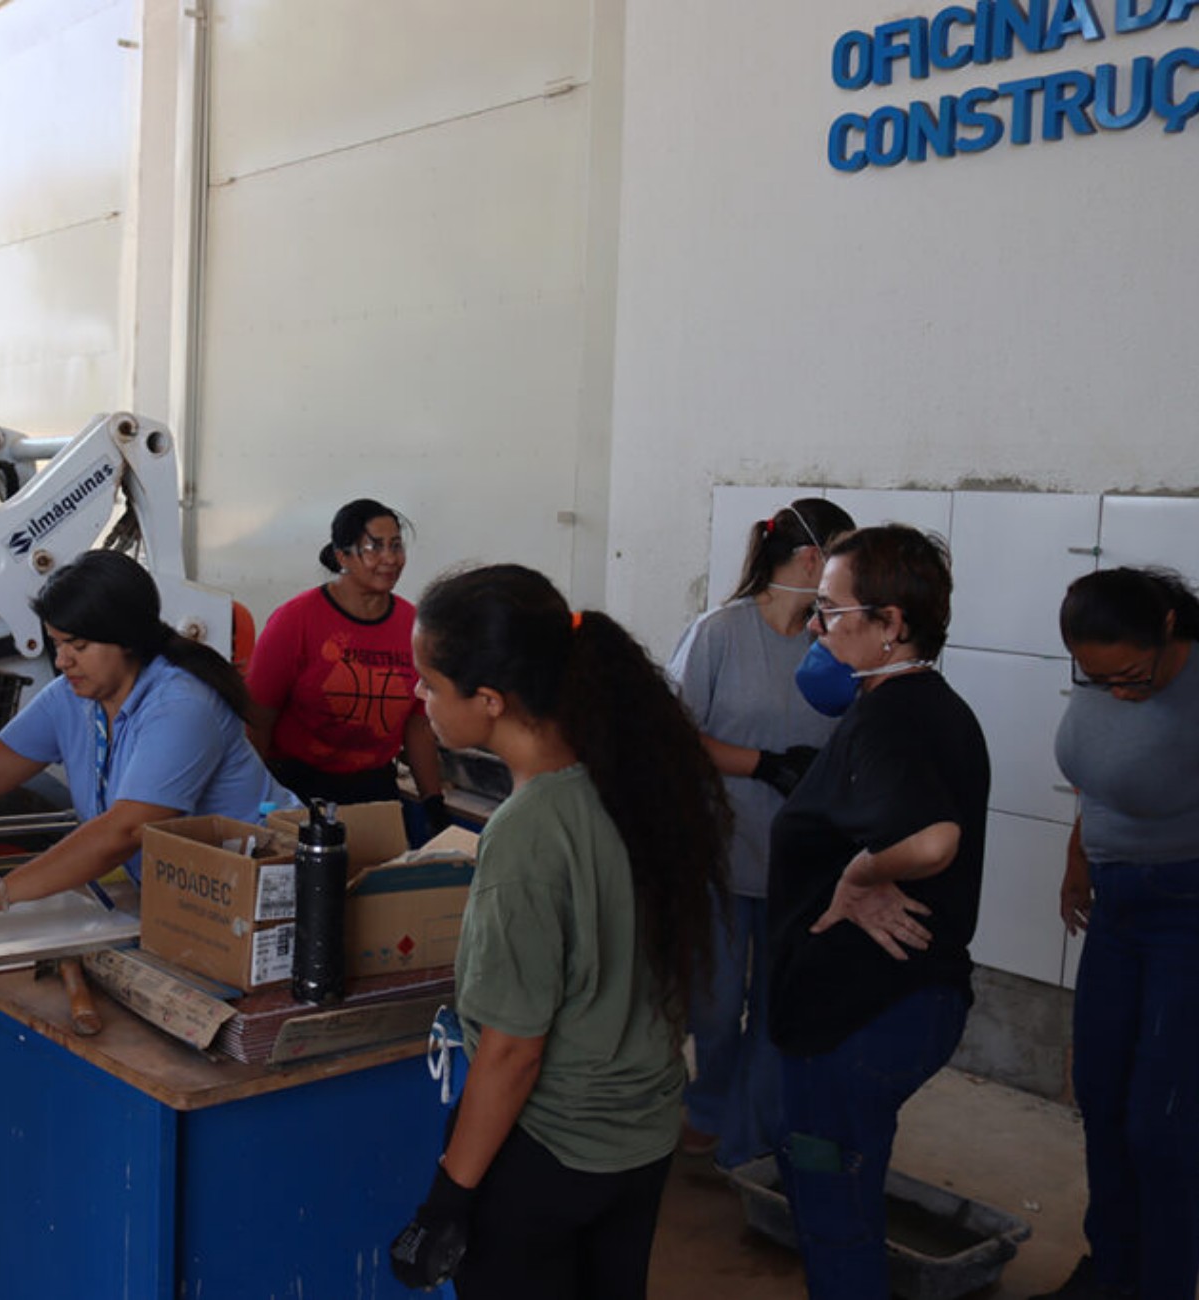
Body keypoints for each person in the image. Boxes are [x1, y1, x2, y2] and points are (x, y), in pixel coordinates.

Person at [386, 565, 730, 1298]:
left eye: (429, 683)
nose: (419, 698)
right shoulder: (634, 777)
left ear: (487, 699)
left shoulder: (529, 832)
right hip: (640, 1138)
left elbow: (512, 1051)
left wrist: (449, 1196)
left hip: (551, 1153)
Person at [766, 524, 989, 1300]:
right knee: (839, 1194)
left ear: (892, 625)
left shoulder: (895, 717)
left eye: (830, 610)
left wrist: (860, 873)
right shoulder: (918, 706)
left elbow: (932, 841)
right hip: (876, 1012)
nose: (816, 627)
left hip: (861, 1021)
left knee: (833, 1205)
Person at [0, 548, 292, 917]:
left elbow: (127, 829)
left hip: (269, 888)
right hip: (197, 898)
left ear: (128, 639)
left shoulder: (181, 704)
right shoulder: (72, 696)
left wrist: (0, 893)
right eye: (57, 643)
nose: (62, 660)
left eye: (79, 645)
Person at [667, 498, 855, 1167]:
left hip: (801, 862)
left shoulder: (832, 645)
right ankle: (710, 1108)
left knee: (779, 1012)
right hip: (722, 852)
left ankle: (751, 1136)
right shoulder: (720, 632)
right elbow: (675, 735)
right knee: (715, 1008)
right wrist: (763, 765)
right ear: (811, 559)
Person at [1035, 566, 1199, 1300]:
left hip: (1186, 916)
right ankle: (1110, 1273)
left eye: (1131, 674)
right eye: (1098, 678)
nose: (1117, 690)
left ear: (1167, 629)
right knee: (1100, 1098)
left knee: (1160, 1128)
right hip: (1115, 908)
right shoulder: (1102, 664)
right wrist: (1079, 856)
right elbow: (1094, 778)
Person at [247, 499, 450, 843]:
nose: (390, 558)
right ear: (342, 557)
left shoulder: (414, 626)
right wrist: (255, 803)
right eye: (374, 547)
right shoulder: (295, 621)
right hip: (297, 787)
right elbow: (257, 721)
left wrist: (434, 804)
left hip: (373, 790)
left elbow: (418, 725)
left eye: (396, 546)